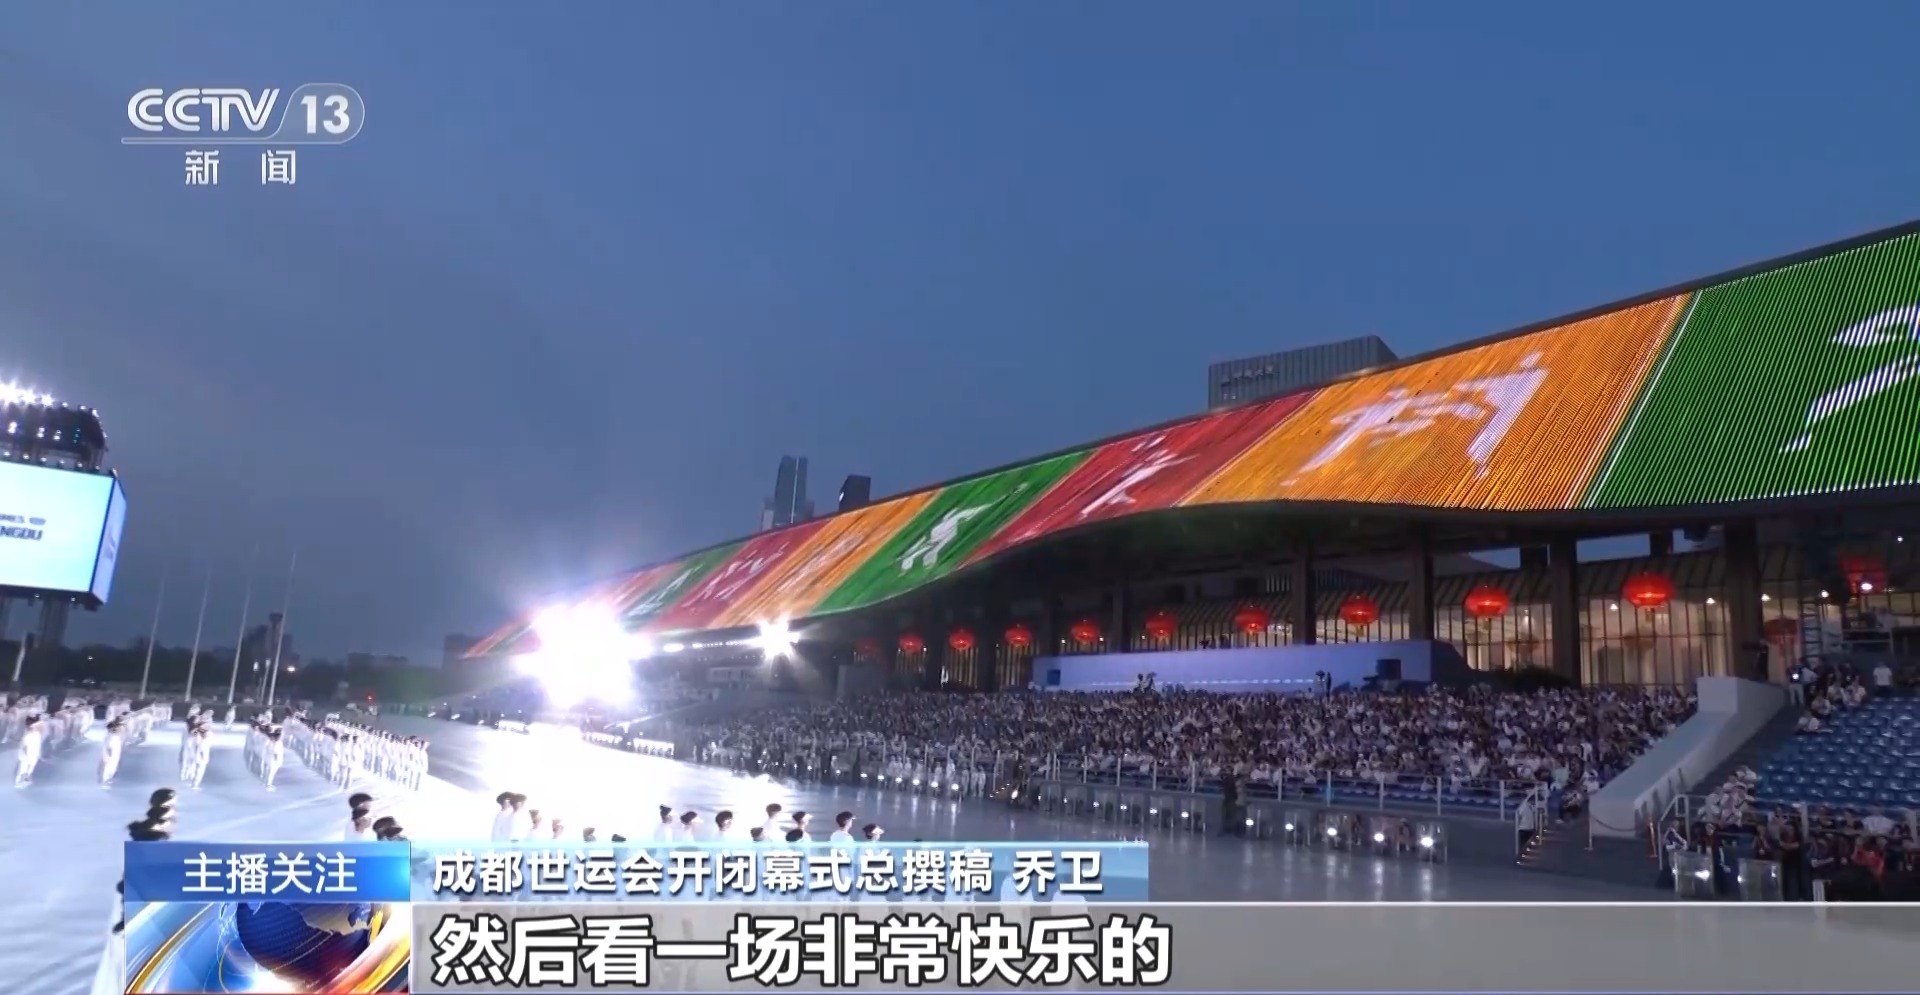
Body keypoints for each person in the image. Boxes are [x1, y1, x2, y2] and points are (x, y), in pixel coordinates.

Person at [14, 714, 43, 787]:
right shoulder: (30, 733)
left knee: (28, 766)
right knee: (25, 767)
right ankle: (20, 781)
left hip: (32, 752)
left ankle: (24, 779)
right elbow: (24, 745)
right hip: (28, 752)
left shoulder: (34, 733)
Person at [99, 719, 126, 788]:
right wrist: (108, 753)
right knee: (109, 765)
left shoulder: (116, 736)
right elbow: (107, 746)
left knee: (113, 765)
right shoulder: (110, 737)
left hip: (115, 752)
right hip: (110, 752)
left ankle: (108, 779)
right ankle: (105, 780)